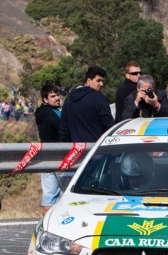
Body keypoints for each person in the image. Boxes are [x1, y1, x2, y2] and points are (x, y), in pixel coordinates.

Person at [35, 84, 70, 213]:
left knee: (49, 195)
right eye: (53, 96)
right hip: (60, 157)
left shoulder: (41, 112)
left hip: (46, 158)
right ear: (45, 99)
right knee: (69, 194)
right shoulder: (52, 114)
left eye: (58, 95)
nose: (57, 98)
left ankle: (47, 221)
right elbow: (64, 132)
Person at [59, 66, 114, 142]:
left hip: (75, 147)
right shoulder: (99, 98)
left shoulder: (69, 99)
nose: (101, 84)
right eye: (98, 81)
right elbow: (108, 125)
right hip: (95, 145)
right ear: (88, 81)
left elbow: (64, 128)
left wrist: (65, 146)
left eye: (102, 81)